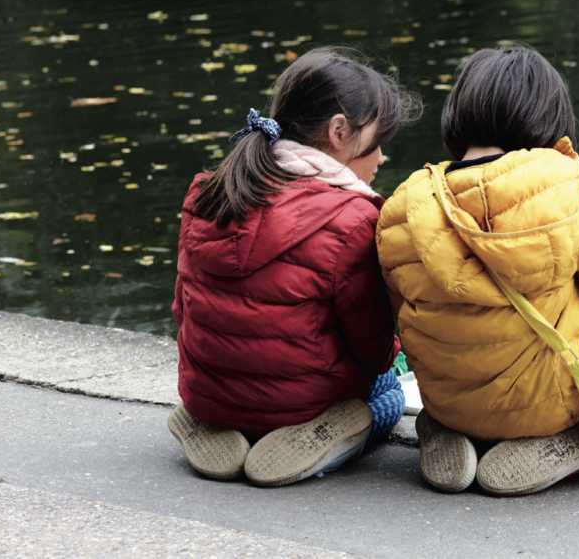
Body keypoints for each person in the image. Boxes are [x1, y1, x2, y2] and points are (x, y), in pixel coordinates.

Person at [376, 44, 579, 496]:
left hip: (449, 401)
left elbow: (400, 315)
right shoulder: (564, 185)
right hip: (547, 404)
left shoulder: (403, 202)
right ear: (549, 117)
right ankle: (569, 435)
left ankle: (449, 431)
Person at [169, 48, 420, 486]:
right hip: (299, 405)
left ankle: (208, 423)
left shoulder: (209, 192)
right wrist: (393, 357)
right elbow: (371, 348)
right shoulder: (352, 218)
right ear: (339, 131)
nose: (381, 158)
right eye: (377, 141)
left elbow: (182, 311)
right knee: (390, 393)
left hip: (207, 394)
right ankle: (322, 441)